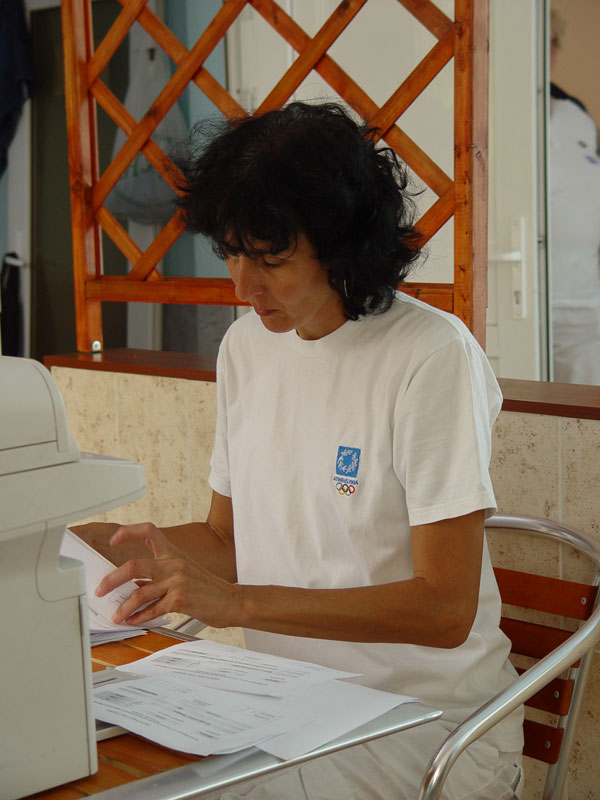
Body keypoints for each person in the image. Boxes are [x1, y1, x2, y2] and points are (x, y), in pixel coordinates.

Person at [75, 102, 524, 799]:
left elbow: (444, 609)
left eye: (271, 258)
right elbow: (229, 540)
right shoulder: (246, 348)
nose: (242, 287)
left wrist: (237, 605)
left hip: (426, 726)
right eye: (231, 253)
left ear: (341, 245)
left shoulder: (430, 355)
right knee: (96, 765)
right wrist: (106, 547)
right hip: (288, 702)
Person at [549, 8, 600, 384]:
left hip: (585, 305)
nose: (546, 52)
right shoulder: (494, 110)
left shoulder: (576, 113)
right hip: (529, 304)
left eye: (552, 42)